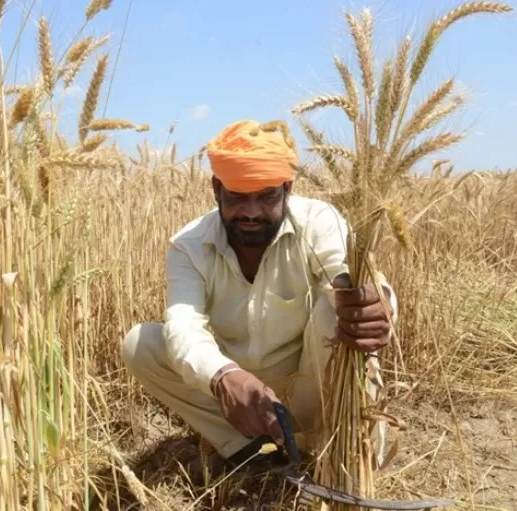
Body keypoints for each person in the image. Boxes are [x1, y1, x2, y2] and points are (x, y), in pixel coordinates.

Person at [120, 119, 398, 475]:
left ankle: (346, 446)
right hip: (241, 400)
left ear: (288, 188)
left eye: (267, 196)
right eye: (237, 196)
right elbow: (183, 327)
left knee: (339, 311)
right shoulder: (188, 246)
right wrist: (222, 376)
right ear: (216, 189)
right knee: (140, 344)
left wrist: (377, 305)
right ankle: (250, 450)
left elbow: (349, 280)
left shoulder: (318, 222)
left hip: (313, 386)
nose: (251, 212)